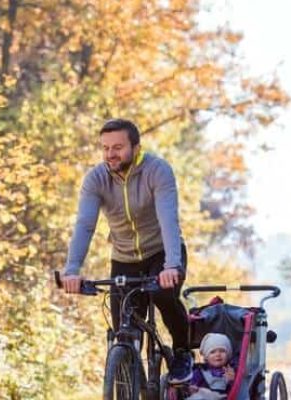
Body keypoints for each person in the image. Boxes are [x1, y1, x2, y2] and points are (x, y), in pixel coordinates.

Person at [61, 118, 193, 383]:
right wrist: (72, 269)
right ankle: (130, 375)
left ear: (136, 146)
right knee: (124, 327)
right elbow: (85, 225)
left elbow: (168, 219)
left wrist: (172, 266)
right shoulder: (96, 179)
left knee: (166, 298)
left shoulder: (157, 170)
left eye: (118, 147)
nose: (111, 154)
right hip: (124, 258)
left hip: (162, 253)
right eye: (106, 148)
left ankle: (182, 353)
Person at [187, 333, 236, 400]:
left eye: (222, 351)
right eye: (212, 352)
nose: (218, 354)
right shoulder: (200, 372)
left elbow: (239, 391)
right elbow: (192, 386)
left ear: (228, 354)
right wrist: (192, 388)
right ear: (206, 357)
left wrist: (233, 381)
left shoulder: (231, 371)